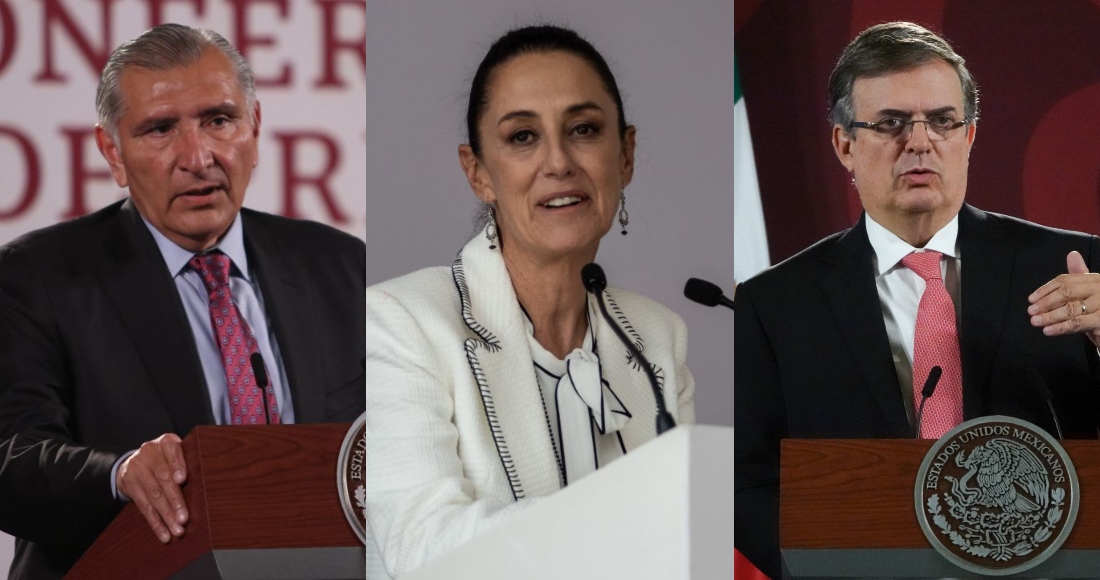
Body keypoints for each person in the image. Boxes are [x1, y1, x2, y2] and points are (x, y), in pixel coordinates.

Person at [734, 21, 1100, 578]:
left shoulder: (1077, 268)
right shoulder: (774, 304)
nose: (920, 142)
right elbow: (749, 480)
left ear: (968, 137)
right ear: (845, 145)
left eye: (942, 121)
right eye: (891, 123)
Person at [0, 24, 365, 579]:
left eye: (219, 120)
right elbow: (12, 457)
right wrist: (119, 474)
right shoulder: (36, 277)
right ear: (112, 152)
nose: (198, 157)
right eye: (160, 129)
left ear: (254, 126)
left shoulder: (340, 266)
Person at [363, 25, 696, 579]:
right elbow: (421, 549)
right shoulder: (402, 321)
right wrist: (620, 521)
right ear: (478, 173)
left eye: (583, 129)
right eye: (522, 137)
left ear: (626, 155)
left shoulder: (657, 336)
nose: (558, 162)